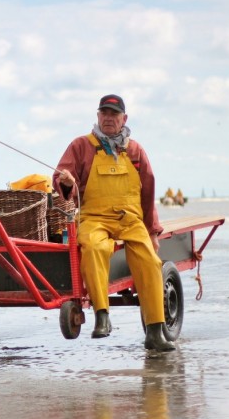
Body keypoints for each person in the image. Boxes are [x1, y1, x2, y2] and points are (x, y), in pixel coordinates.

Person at [52, 94, 175, 351]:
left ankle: (154, 331)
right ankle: (102, 317)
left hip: (131, 220)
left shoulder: (135, 150)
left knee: (150, 261)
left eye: (114, 115)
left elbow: (148, 192)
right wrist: (64, 181)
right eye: (104, 114)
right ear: (97, 117)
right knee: (94, 249)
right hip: (94, 218)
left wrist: (152, 231)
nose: (108, 119)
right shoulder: (81, 145)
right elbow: (62, 178)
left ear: (124, 119)